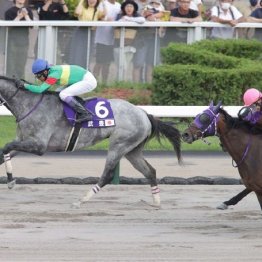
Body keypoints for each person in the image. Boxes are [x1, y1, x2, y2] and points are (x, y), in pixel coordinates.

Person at [24, 59, 97, 123]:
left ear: (45, 72)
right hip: (81, 78)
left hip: (88, 81)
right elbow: (44, 89)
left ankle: (85, 114)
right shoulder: (51, 71)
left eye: (39, 76)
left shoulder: (54, 74)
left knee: (63, 94)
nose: (38, 78)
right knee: (57, 93)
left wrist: (25, 86)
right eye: (36, 76)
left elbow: (40, 89)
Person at [69, 0, 104, 67]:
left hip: (91, 33)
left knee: (88, 54)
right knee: (78, 53)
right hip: (81, 32)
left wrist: (103, 3)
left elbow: (104, 14)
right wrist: (81, 1)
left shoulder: (97, 10)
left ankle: (85, 70)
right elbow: (77, 13)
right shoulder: (83, 8)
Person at [93, 0, 121, 83]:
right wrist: (105, 19)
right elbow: (98, 16)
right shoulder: (102, 3)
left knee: (108, 63)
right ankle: (94, 82)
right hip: (101, 39)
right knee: (99, 62)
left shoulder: (118, 5)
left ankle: (104, 83)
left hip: (112, 39)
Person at [5, 0, 34, 78]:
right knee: (11, 65)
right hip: (12, 41)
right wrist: (19, 16)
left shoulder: (28, 11)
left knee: (21, 65)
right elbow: (9, 26)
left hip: (24, 42)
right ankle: (9, 84)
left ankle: (20, 84)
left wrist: (26, 15)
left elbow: (32, 25)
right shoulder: (9, 11)